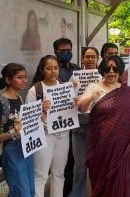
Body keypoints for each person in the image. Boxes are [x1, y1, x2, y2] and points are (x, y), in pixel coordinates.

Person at [77, 55, 130, 197]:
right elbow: (81, 108)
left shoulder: (128, 92)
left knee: (123, 180)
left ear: (120, 70)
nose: (111, 71)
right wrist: (91, 96)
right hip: (101, 146)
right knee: (102, 180)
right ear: (102, 71)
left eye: (115, 68)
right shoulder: (94, 87)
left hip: (123, 147)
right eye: (107, 68)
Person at [26, 55, 70, 197]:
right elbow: (28, 119)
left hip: (63, 135)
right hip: (44, 135)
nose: (53, 71)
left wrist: (75, 102)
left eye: (56, 68)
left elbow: (71, 111)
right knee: (40, 174)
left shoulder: (65, 87)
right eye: (49, 68)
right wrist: (41, 110)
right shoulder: (35, 90)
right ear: (42, 70)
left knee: (59, 174)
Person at [0, 63, 34, 196]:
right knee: (21, 192)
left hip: (25, 148)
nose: (25, 80)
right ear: (8, 80)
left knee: (29, 189)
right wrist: (13, 132)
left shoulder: (19, 98)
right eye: (20, 77)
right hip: (10, 151)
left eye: (25, 77)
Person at [69, 47, 99, 197]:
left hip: (98, 124)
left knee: (97, 165)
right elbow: (65, 101)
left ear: (97, 59)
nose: (90, 60)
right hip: (79, 124)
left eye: (93, 57)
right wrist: (70, 91)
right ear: (82, 59)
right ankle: (77, 194)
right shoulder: (74, 78)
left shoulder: (103, 77)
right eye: (87, 57)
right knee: (79, 165)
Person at [53, 38, 80, 196]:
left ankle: (69, 191)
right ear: (55, 52)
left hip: (74, 118)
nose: (66, 53)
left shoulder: (76, 68)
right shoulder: (50, 67)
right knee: (59, 163)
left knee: (72, 159)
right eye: (62, 51)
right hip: (58, 120)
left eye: (68, 50)